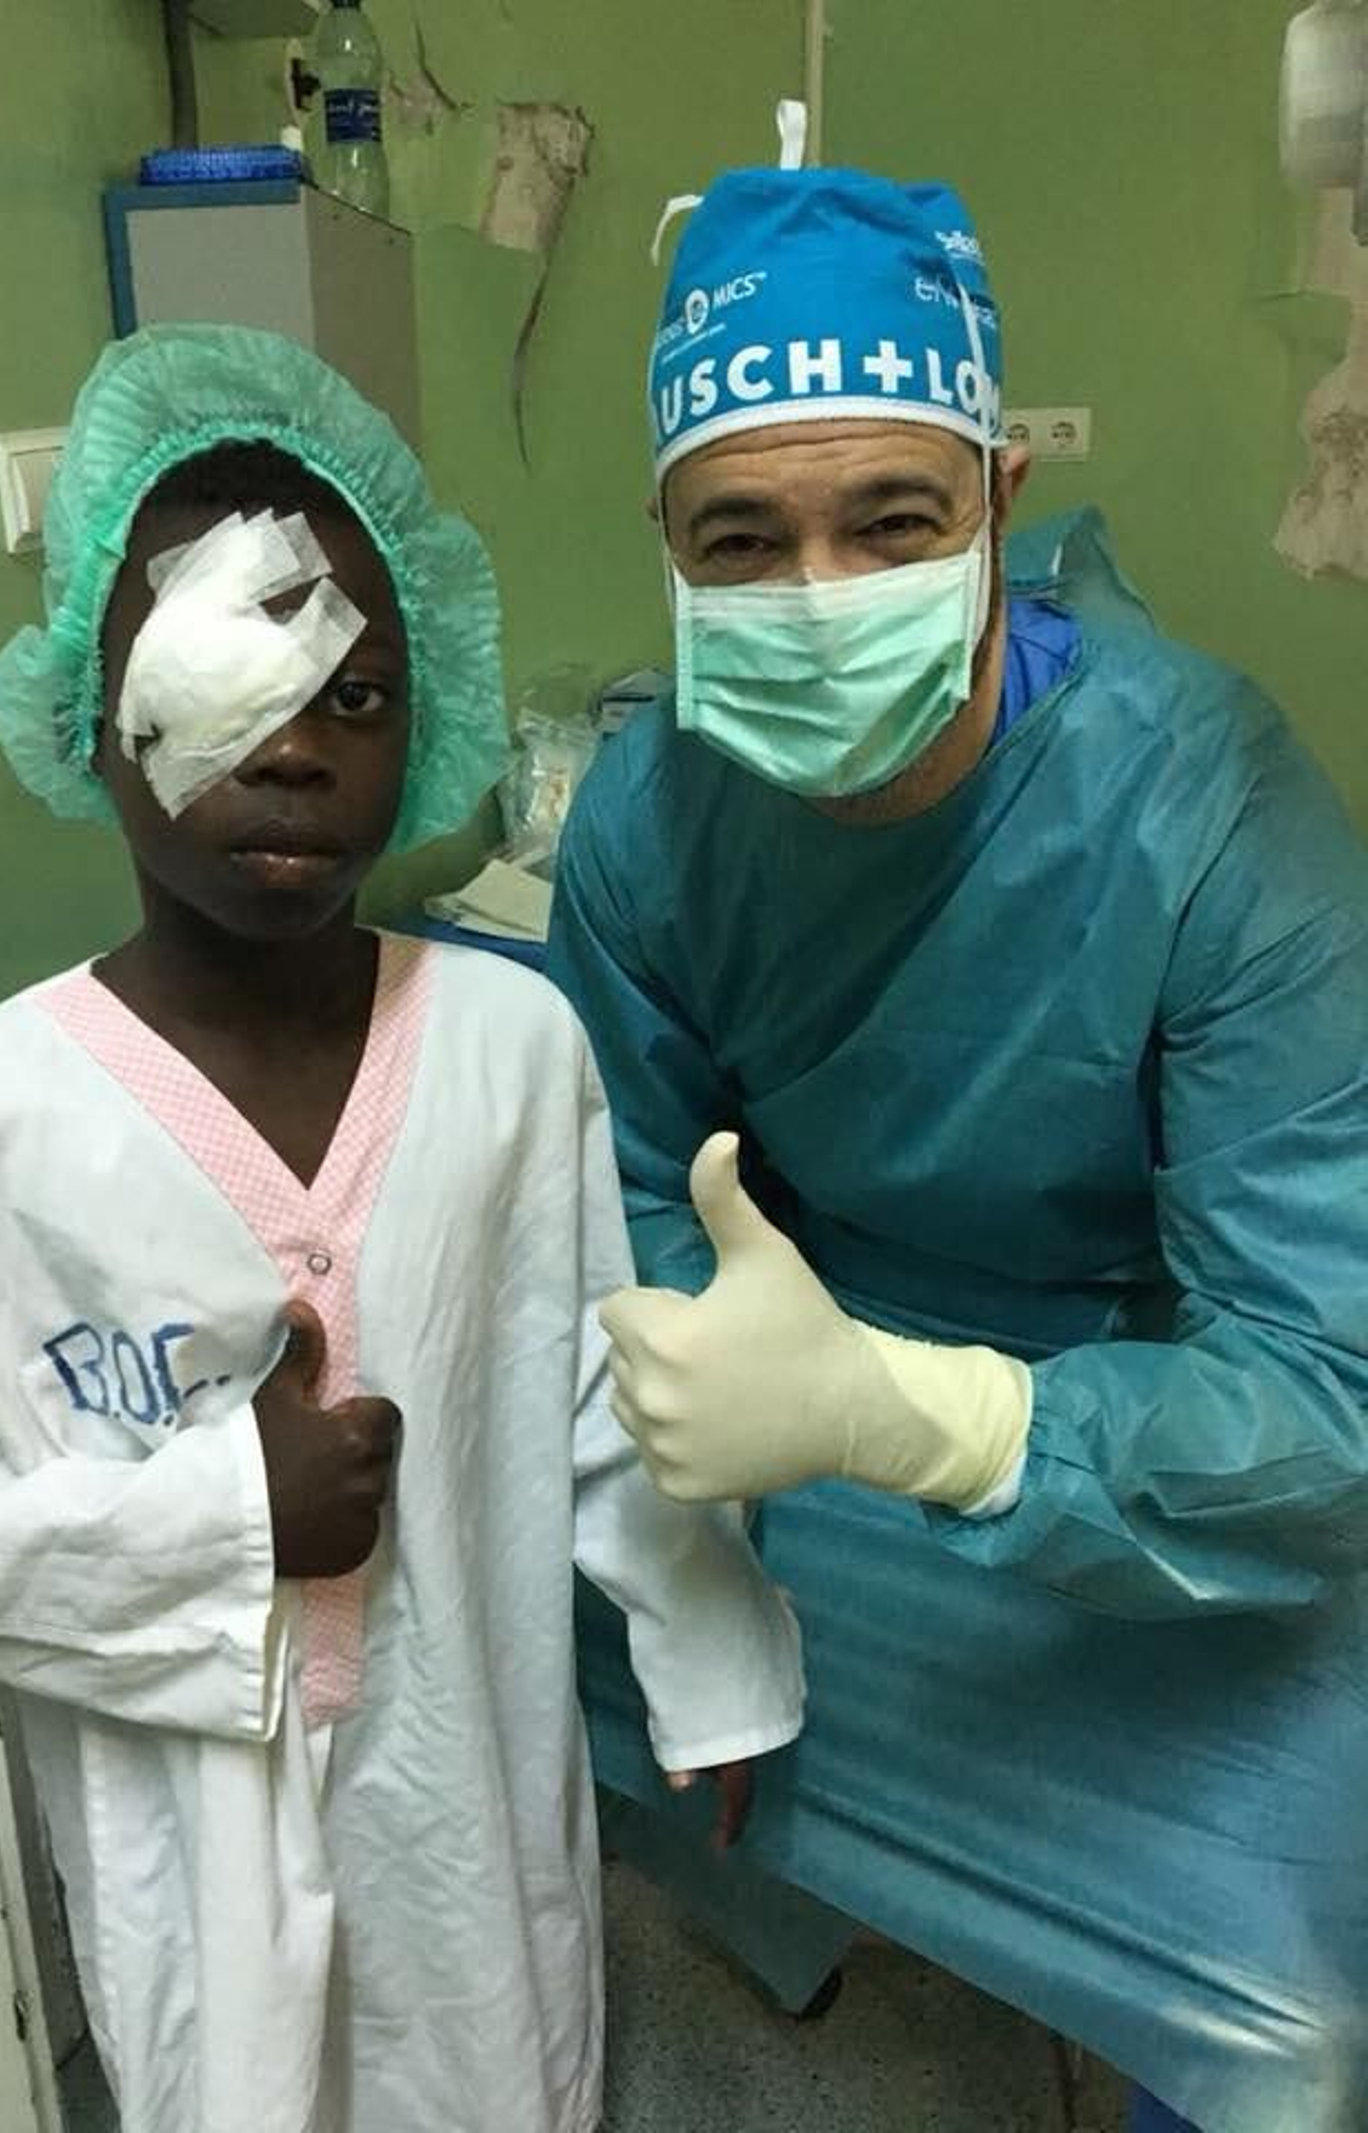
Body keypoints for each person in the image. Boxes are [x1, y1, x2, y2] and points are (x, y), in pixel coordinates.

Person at [0, 324, 804, 2133]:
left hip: (478, 1843)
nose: (298, 752)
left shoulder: (509, 1050)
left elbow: (593, 1394)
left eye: (356, 693)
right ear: (92, 715)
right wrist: (224, 1515)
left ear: (434, 719)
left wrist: (706, 1659)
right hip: (193, 1886)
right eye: (220, 685)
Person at [549, 108, 1368, 2133]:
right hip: (800, 1455)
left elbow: (1327, 1390)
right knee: (536, 1635)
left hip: (1164, 1472)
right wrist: (721, 1478)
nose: (816, 593)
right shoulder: (649, 827)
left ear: (1000, 495)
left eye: (892, 523)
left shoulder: (1208, 815)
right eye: (741, 539)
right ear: (665, 543)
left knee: (1289, 2023)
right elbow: (640, 1198)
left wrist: (947, 1420)